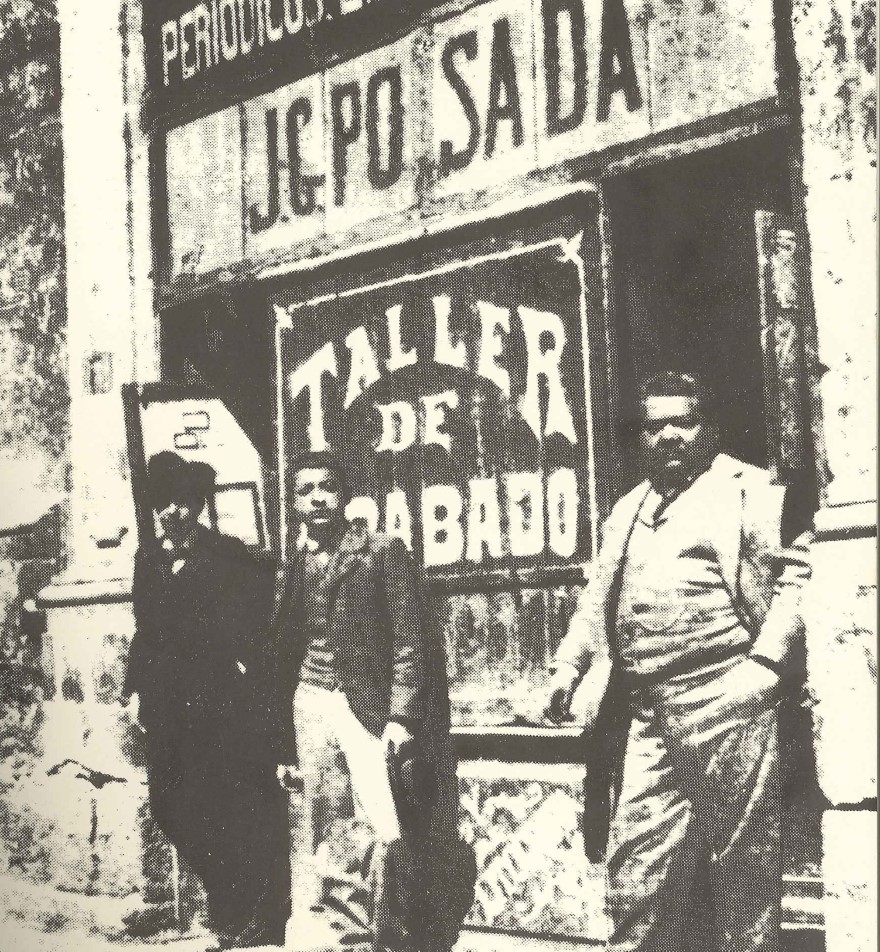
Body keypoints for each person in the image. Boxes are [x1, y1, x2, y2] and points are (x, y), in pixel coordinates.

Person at [544, 372, 811, 952]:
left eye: (682, 422)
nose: (668, 435)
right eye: (655, 424)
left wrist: (765, 664)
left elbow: (800, 569)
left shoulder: (751, 489)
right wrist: (568, 666)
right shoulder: (630, 507)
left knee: (742, 869)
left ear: (706, 427)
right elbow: (596, 598)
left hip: (727, 694)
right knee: (637, 870)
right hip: (648, 709)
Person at [270, 451, 466, 952]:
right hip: (311, 703)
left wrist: (401, 716)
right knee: (326, 821)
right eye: (305, 491)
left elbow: (408, 641)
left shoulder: (381, 551)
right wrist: (280, 729)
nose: (317, 500)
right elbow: (284, 646)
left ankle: (377, 935)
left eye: (326, 489)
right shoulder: (295, 563)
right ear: (293, 502)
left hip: (366, 707)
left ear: (344, 496)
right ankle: (343, 936)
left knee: (376, 824)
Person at [124, 451, 290, 949]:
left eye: (182, 502)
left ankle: (234, 912)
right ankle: (227, 900)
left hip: (218, 704)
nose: (172, 512)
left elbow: (260, 617)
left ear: (197, 505)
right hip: (165, 704)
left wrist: (246, 671)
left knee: (222, 803)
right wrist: (133, 690)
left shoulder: (227, 554)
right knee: (169, 804)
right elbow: (145, 630)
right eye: (164, 503)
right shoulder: (149, 557)